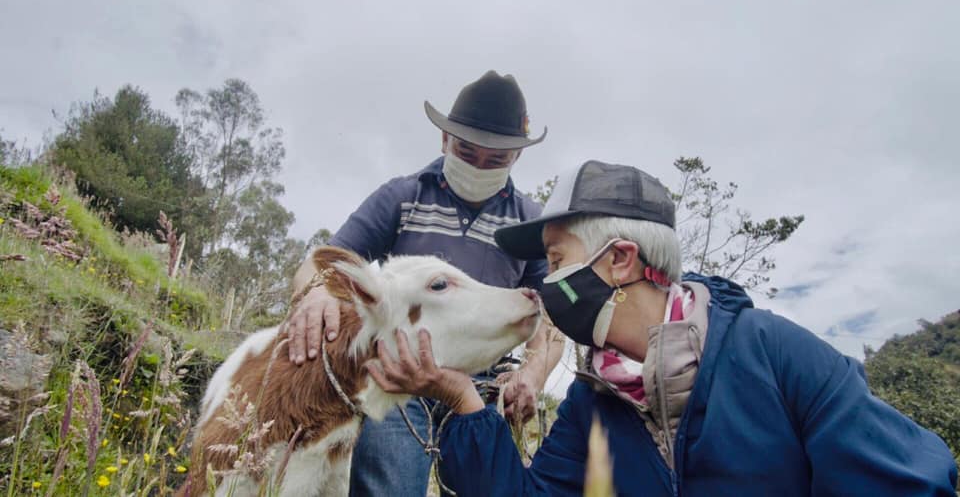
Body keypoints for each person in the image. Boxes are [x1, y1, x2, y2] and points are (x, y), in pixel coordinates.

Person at [367, 159, 960, 496]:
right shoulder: (590, 406)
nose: (545, 286)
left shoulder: (775, 355)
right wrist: (466, 401)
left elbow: (913, 483)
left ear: (620, 260)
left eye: (556, 260)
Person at [285, 70, 563, 496]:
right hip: (399, 378)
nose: (478, 166)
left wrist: (534, 373)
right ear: (445, 141)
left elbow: (551, 315)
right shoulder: (402, 197)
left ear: (516, 158)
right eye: (467, 151)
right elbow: (326, 263)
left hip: (482, 388)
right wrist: (316, 291)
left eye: (496, 160)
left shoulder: (528, 223)